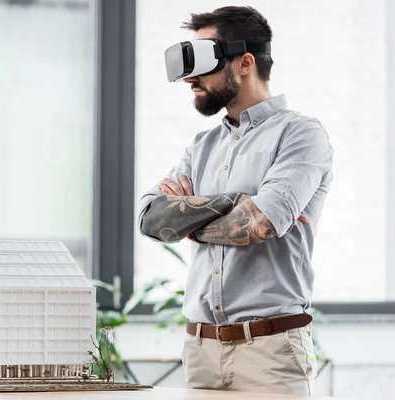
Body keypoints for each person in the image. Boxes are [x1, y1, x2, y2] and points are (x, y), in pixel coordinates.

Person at [137, 6, 333, 395]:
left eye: (204, 61)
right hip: (201, 350)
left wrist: (191, 220)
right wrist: (237, 202)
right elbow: (150, 217)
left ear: (245, 63)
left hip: (271, 351)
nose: (190, 77)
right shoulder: (201, 145)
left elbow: (260, 224)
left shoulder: (301, 135)